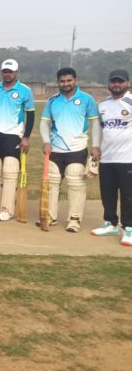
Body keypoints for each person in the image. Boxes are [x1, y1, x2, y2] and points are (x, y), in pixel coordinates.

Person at [39, 67, 100, 232]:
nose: (65, 84)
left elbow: (95, 123)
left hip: (77, 149)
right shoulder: (52, 100)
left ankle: (74, 219)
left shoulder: (87, 99)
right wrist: (46, 141)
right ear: (58, 82)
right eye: (62, 81)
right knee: (52, 184)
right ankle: (50, 216)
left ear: (75, 80)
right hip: (55, 149)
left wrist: (95, 145)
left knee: (76, 184)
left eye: (69, 80)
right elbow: (44, 122)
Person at [0, 59, 35, 221]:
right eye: (5, 71)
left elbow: (31, 116)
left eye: (10, 72)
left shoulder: (25, 90)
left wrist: (26, 137)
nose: (7, 74)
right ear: (2, 72)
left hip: (14, 134)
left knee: (10, 172)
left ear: (16, 72)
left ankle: (7, 209)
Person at [91, 69, 132, 245]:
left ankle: (129, 229)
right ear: (108, 84)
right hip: (107, 157)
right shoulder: (103, 105)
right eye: (113, 81)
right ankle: (110, 223)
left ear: (128, 83)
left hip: (127, 158)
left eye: (120, 81)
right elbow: (100, 128)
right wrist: (95, 146)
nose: (116, 84)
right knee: (107, 193)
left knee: (128, 195)